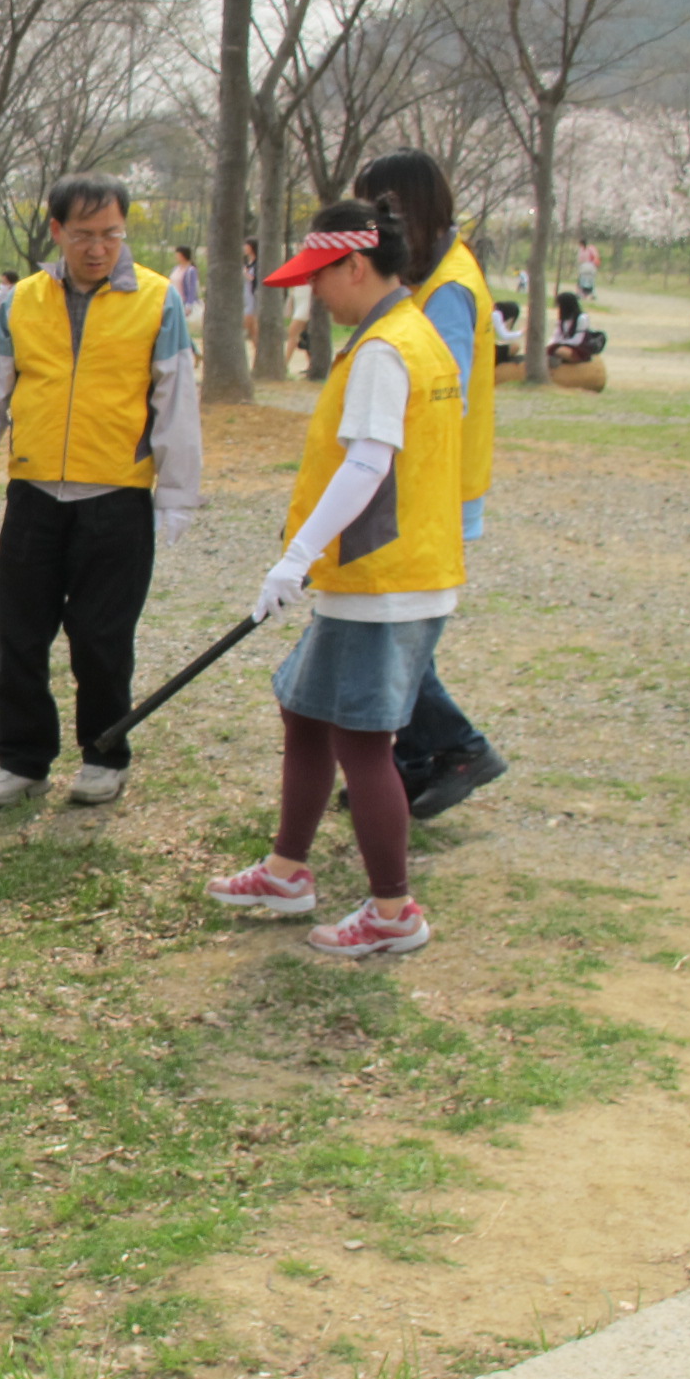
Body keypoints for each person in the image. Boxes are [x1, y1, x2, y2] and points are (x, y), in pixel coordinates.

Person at [207, 198, 464, 955]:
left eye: (321, 278)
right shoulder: (410, 337)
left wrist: (296, 559)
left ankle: (393, 913)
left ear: (355, 264)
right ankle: (288, 870)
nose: (314, 294)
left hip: (382, 581)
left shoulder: (386, 350)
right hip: (389, 573)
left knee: (363, 743)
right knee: (306, 713)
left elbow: (367, 464)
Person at [0, 172, 202, 808]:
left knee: (102, 636)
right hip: (34, 492)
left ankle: (105, 754)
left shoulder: (158, 300)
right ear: (56, 231)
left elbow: (176, 403)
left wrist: (176, 493)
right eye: (83, 234)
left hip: (117, 497)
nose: (97, 248)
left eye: (111, 233)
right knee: (20, 632)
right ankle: (22, 759)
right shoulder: (23, 301)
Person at [353, 149, 509, 816]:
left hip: (430, 490)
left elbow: (440, 399)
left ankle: (459, 748)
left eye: (378, 212)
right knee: (395, 633)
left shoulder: (449, 286)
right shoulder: (436, 271)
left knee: (396, 637)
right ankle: (411, 759)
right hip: (421, 487)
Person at [546, 290, 592, 367]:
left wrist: (560, 344)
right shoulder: (562, 319)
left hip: (579, 348)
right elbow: (556, 336)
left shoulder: (582, 318)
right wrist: (550, 345)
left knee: (560, 351)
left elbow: (577, 340)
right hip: (563, 344)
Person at [169, 245, 200, 317]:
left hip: (183, 301)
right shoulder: (176, 268)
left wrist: (189, 305)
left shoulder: (191, 270)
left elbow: (192, 288)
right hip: (173, 301)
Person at [491, 300, 523, 367]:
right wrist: (521, 332)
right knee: (515, 347)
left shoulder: (493, 311)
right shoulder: (496, 314)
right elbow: (504, 335)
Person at [242, 237, 260, 357]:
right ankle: (259, 354)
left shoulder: (257, 263)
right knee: (253, 330)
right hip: (246, 297)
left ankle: (259, 353)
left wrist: (245, 274)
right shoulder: (247, 263)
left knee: (247, 326)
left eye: (246, 245)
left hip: (253, 299)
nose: (244, 248)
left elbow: (256, 280)